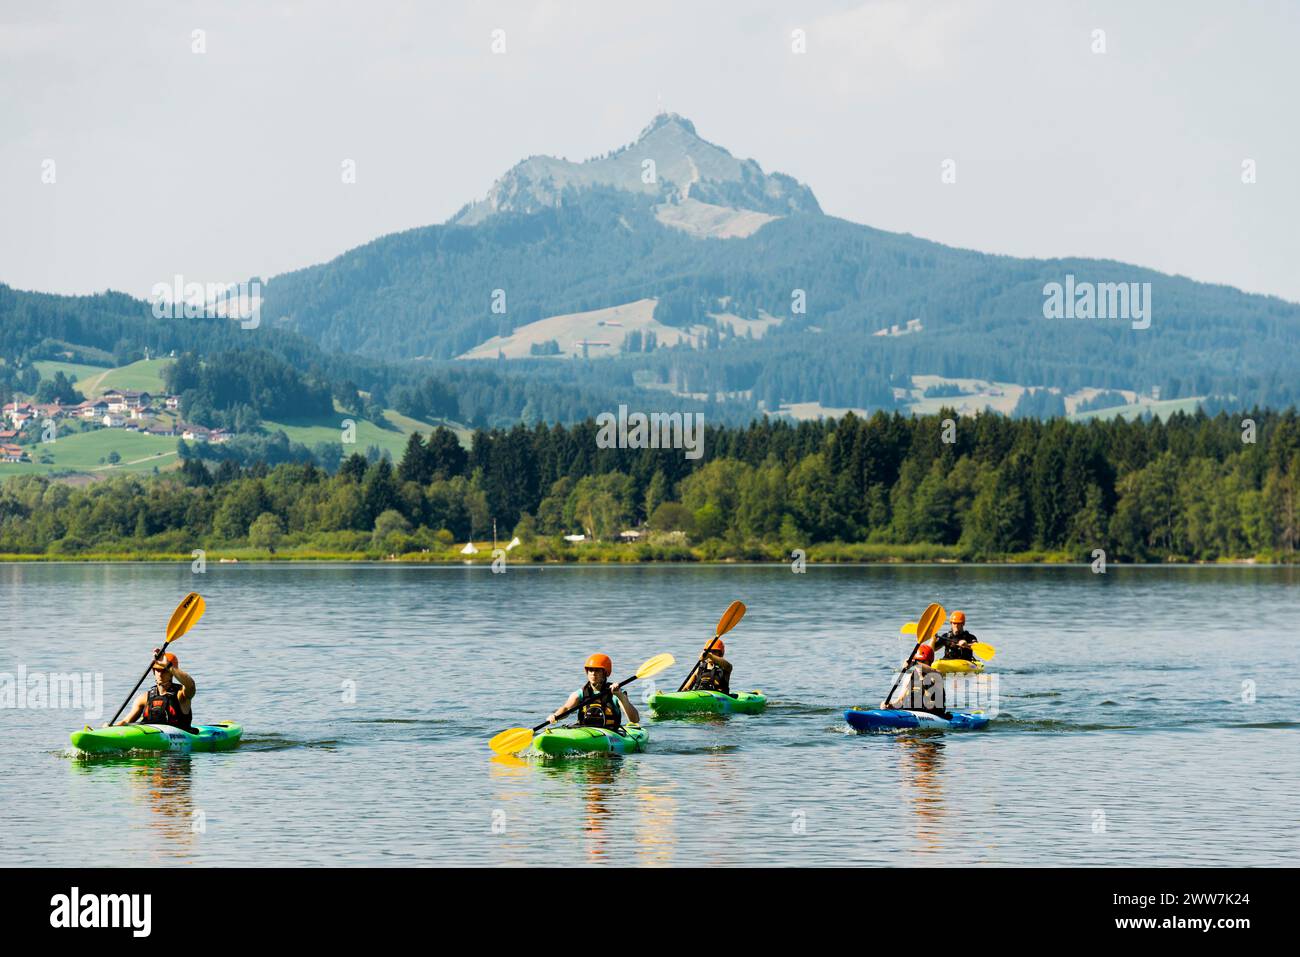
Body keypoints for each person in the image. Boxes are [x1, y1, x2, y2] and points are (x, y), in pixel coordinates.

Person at [547, 654, 639, 730]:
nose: (593, 673)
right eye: (590, 670)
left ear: (605, 673)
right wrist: (555, 716)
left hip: (609, 732)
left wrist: (620, 696)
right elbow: (566, 708)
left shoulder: (616, 692)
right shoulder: (580, 693)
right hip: (584, 731)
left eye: (597, 670)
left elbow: (634, 719)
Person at [116, 651, 197, 731]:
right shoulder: (143, 699)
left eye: (164, 670)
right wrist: (111, 727)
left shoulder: (182, 695)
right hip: (150, 736)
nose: (160, 674)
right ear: (153, 671)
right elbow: (126, 721)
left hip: (180, 737)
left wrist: (169, 666)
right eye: (157, 670)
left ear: (172, 673)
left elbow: (191, 685)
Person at [884, 644, 946, 715]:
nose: (919, 665)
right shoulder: (909, 677)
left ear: (930, 662)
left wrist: (915, 663)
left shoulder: (936, 675)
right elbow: (900, 701)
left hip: (933, 714)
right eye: (917, 661)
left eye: (922, 661)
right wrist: (890, 706)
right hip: (912, 712)